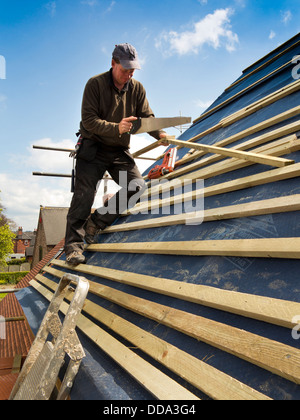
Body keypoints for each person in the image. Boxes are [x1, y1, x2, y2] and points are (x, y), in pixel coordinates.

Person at [65, 43, 168, 265]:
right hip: (93, 146)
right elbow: (88, 121)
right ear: (113, 63)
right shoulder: (95, 84)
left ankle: (96, 222)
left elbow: (146, 118)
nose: (129, 74)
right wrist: (116, 127)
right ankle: (73, 247)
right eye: (125, 69)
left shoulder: (137, 88)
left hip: (117, 149)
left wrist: (159, 134)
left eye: (133, 70)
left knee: (137, 186)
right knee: (84, 196)